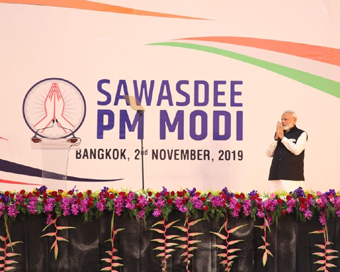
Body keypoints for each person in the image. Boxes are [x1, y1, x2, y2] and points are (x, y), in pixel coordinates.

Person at [266, 110, 308, 192]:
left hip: (292, 177)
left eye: (286, 119)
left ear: (294, 120)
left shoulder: (301, 133)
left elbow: (297, 150)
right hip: (275, 176)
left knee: (291, 202)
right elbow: (269, 153)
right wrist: (276, 139)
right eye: (282, 119)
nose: (283, 122)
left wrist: (283, 138)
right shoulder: (278, 133)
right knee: (274, 202)